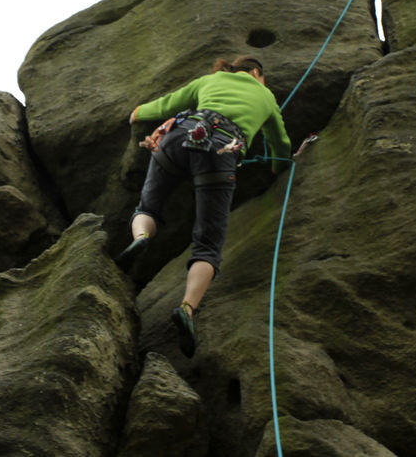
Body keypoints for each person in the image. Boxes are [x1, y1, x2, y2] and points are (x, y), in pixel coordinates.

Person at [116, 55, 292, 358]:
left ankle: (141, 238)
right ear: (256, 73)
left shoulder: (210, 81)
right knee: (208, 243)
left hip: (179, 136)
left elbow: (169, 102)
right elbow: (279, 142)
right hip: (221, 151)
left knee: (148, 205)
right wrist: (278, 167)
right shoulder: (265, 96)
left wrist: (138, 112)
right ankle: (187, 308)